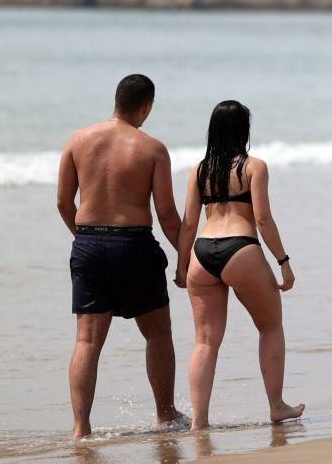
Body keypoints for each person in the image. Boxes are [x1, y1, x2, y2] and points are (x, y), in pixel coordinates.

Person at [56, 74, 184, 439]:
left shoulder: (78, 141)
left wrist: (84, 239)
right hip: (134, 245)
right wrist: (185, 260)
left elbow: (64, 203)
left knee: (86, 340)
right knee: (158, 332)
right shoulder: (152, 148)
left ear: (116, 101)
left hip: (89, 244)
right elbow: (168, 216)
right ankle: (165, 414)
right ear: (147, 107)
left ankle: (81, 428)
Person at [175, 100, 304, 429]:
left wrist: (180, 265)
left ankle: (199, 421)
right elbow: (262, 218)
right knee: (270, 326)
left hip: (202, 253)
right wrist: (283, 262)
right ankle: (277, 406)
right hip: (240, 248)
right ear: (243, 130)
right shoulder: (253, 167)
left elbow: (189, 224)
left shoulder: (199, 170)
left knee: (205, 341)